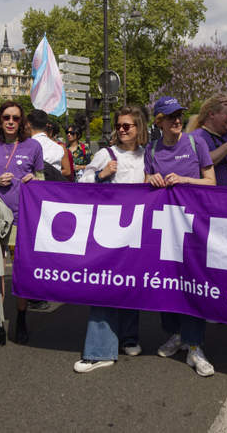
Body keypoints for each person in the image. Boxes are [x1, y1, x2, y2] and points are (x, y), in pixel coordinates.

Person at [145, 96, 217, 377]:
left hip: (194, 226)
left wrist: (185, 180)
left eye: (179, 115)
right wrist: (148, 180)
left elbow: (211, 182)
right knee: (166, 283)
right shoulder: (151, 150)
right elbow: (144, 186)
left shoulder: (196, 143)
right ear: (159, 121)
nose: (177, 120)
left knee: (194, 284)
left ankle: (196, 347)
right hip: (164, 229)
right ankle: (175, 335)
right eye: (170, 116)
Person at [73, 106, 148, 373]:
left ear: (139, 128)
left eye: (128, 125)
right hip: (106, 233)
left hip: (137, 232)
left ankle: (129, 338)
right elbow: (81, 185)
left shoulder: (147, 156)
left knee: (130, 286)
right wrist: (101, 175)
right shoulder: (106, 154)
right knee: (104, 287)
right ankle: (100, 350)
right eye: (119, 125)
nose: (122, 129)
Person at [0, 101, 44, 349]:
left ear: (22, 121)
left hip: (22, 218)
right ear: (0, 120)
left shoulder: (33, 146)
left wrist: (33, 180)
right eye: (6, 117)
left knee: (20, 271)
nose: (11, 122)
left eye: (15, 118)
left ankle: (22, 318)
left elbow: (42, 180)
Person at [28, 109, 71, 179]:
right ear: (46, 125)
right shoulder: (60, 147)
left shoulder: (25, 147)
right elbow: (68, 172)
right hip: (54, 186)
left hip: (34, 186)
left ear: (28, 124)